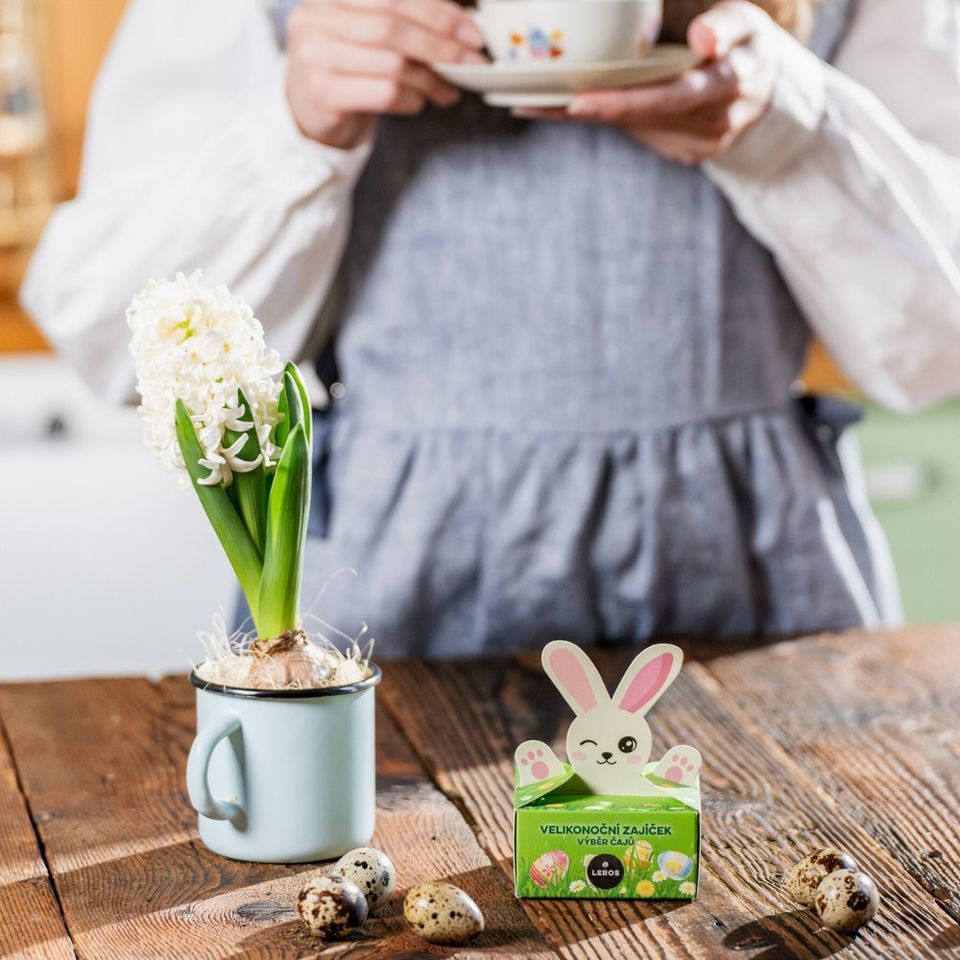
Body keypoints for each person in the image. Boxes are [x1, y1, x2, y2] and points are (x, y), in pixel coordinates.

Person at [22, 0, 960, 656]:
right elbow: (118, 335)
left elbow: (938, 348)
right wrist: (298, 123)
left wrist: (790, 124)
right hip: (391, 591)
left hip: (756, 579)